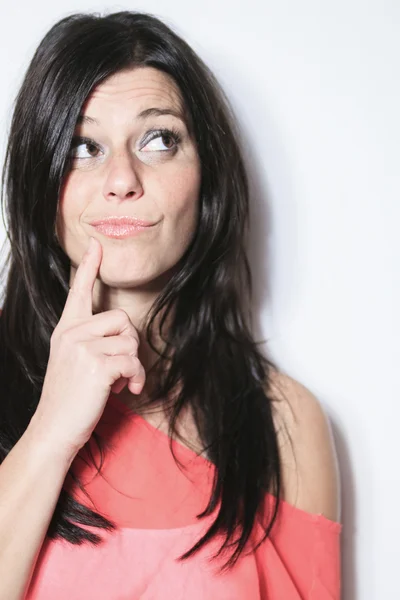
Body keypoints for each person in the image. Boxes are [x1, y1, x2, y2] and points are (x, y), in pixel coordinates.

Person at [0, 10, 342, 600]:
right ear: (39, 178)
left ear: (206, 175)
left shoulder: (281, 421)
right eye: (84, 146)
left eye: (158, 140)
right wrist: (50, 433)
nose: (122, 179)